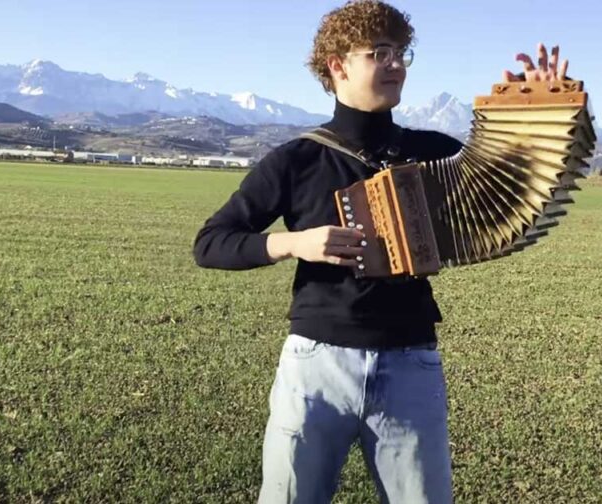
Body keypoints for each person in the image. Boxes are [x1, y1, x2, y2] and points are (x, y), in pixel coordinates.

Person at [193, 1, 570, 502]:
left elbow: (514, 193)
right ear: (338, 65)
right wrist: (294, 244)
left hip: (410, 361)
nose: (396, 64)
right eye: (380, 52)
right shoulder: (297, 160)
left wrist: (537, 111)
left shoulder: (437, 151)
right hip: (315, 365)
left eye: (401, 52)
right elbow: (211, 242)